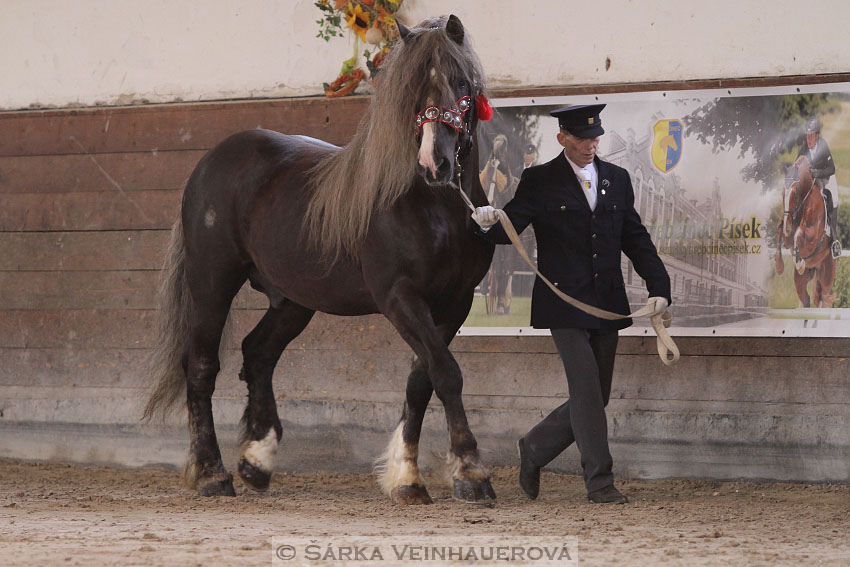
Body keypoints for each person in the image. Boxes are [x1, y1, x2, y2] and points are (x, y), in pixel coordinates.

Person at [470, 104, 671, 504]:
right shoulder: (540, 180)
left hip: (606, 302)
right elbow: (508, 230)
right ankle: (600, 481)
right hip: (563, 302)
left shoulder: (618, 179)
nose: (590, 145)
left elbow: (635, 237)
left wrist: (659, 285)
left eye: (595, 138)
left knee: (598, 395)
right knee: (585, 391)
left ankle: (534, 448)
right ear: (563, 138)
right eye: (582, 139)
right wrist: (487, 221)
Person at [798, 116, 840, 258]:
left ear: (817, 135)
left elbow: (832, 168)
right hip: (813, 180)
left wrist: (817, 172)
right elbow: (796, 166)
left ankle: (834, 240)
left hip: (827, 177)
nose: (808, 139)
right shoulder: (803, 149)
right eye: (807, 136)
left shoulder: (823, 145)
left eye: (811, 136)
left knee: (833, 201)